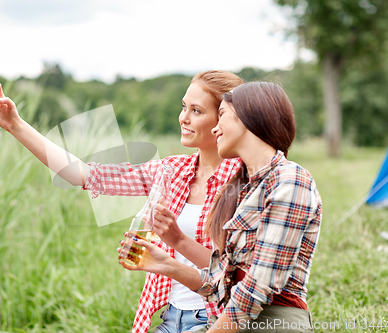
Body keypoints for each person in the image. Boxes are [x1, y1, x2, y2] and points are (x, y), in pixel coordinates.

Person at [0, 71, 244, 333]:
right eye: (183, 106)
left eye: (196, 110)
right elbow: (84, 175)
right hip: (169, 317)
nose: (183, 118)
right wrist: (15, 125)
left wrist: (177, 239)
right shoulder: (172, 170)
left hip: (215, 320)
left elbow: (236, 274)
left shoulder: (245, 182)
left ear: (222, 119)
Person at [121, 82, 322, 333]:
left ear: (249, 117)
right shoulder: (246, 189)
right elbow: (223, 284)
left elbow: (258, 287)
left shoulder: (290, 181)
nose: (215, 128)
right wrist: (166, 265)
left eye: (223, 115)